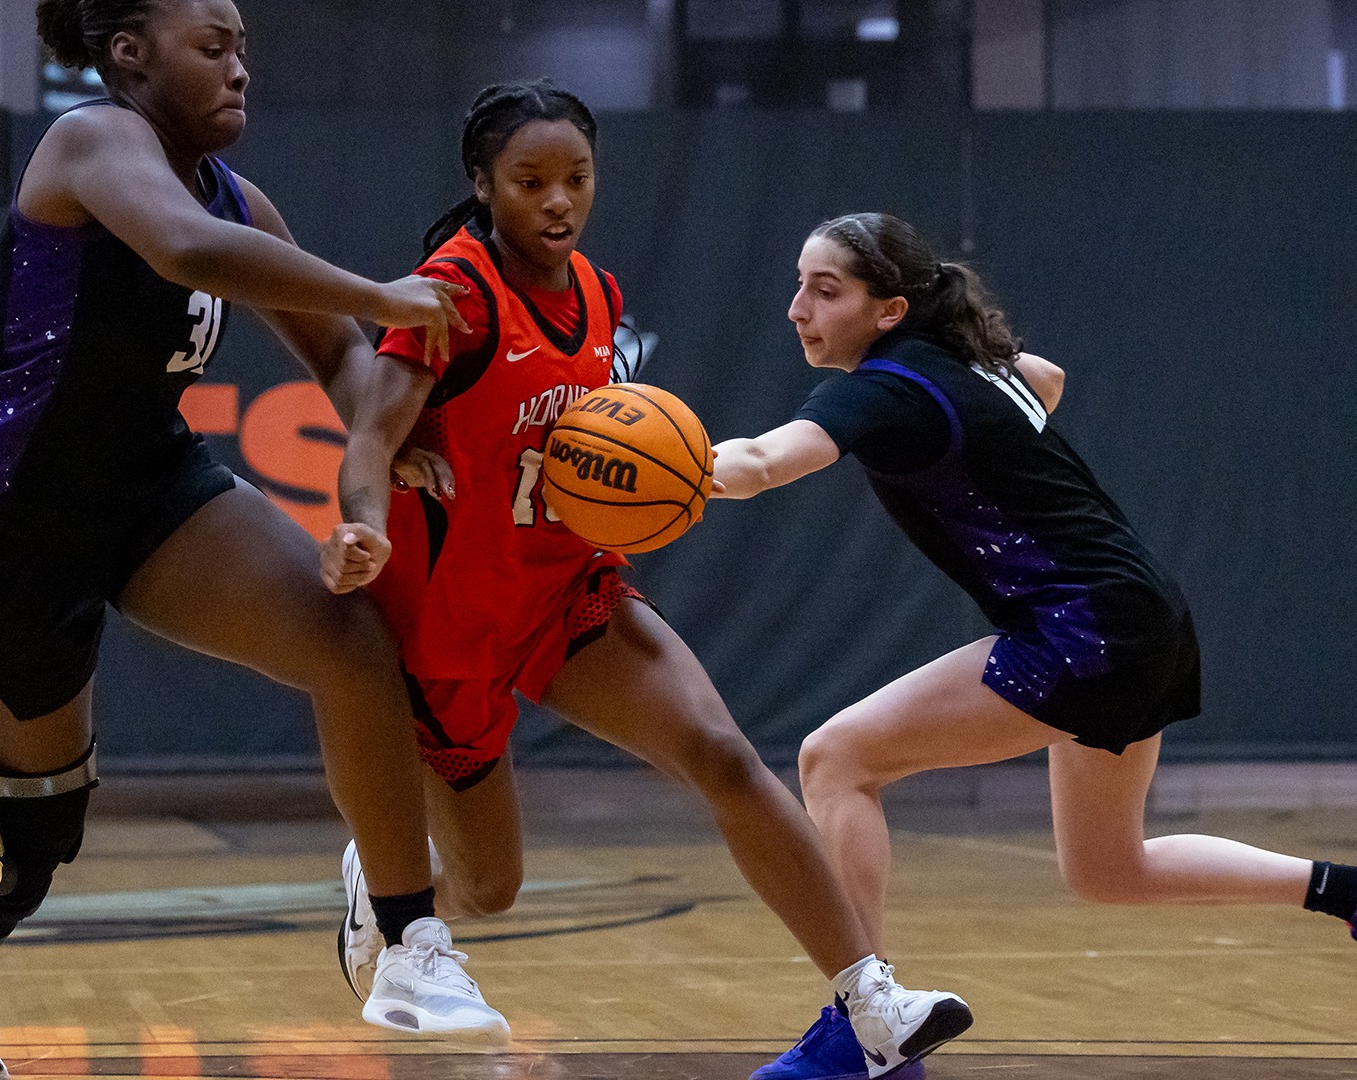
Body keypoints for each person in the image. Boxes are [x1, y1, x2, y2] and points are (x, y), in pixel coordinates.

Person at [0, 2, 510, 1077]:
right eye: (213, 49)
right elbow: (185, 247)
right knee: (30, 833)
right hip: (10, 514)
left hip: (150, 483)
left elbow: (345, 359)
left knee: (353, 642)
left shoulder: (238, 197)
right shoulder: (91, 141)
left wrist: (386, 446)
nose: (239, 69)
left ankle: (408, 941)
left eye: (244, 49)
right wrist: (380, 291)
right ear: (130, 55)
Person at [323, 81, 972, 1076]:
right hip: (450, 618)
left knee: (721, 753)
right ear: (483, 186)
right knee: (490, 887)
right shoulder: (452, 294)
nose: (558, 201)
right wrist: (364, 522)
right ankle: (388, 881)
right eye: (529, 181)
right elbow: (371, 436)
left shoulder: (596, 292)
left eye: (576, 178)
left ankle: (869, 1001)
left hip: (565, 589)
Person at [711, 212, 1357, 1080]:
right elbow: (1045, 378)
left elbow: (760, 462)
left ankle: (866, 1028)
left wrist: (659, 468)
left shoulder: (884, 387)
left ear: (890, 311)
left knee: (836, 759)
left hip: (1081, 628)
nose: (798, 308)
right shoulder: (960, 364)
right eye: (799, 286)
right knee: (1108, 868)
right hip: (1141, 617)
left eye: (825, 291)